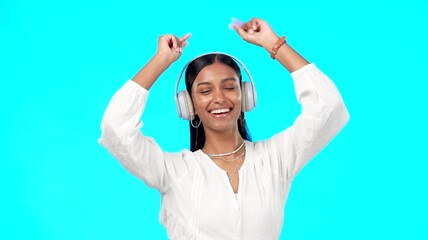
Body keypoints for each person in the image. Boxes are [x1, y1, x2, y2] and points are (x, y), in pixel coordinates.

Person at [99, 17, 349, 239]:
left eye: (229, 87)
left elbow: (328, 108)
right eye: (205, 90)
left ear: (246, 96)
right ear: (189, 105)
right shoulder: (173, 172)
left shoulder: (274, 160)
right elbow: (116, 129)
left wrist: (273, 43)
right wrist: (160, 61)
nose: (219, 98)